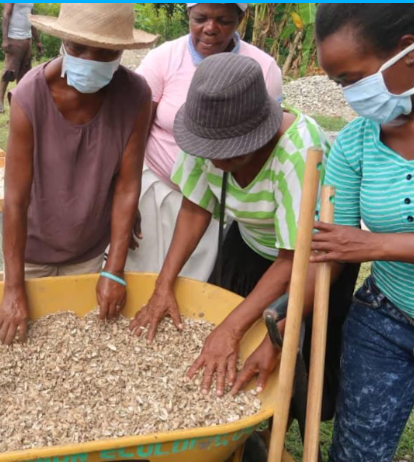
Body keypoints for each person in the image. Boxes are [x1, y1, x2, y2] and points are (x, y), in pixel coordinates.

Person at [130, 54, 359, 414]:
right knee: (243, 335)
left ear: (260, 131)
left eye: (229, 154)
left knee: (289, 357)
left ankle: (278, 421)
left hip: (310, 261)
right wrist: (163, 284)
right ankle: (248, 425)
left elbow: (292, 259)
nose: (215, 161)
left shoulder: (300, 149)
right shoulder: (204, 132)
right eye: (210, 152)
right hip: (250, 244)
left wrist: (230, 329)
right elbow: (194, 208)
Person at [312, 4, 414, 461]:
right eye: (337, 83)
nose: (347, 96)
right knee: (355, 453)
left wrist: (374, 244)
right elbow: (333, 248)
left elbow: (356, 244)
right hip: (385, 317)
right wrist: (279, 320)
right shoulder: (356, 142)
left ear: (405, 52)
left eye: (351, 79)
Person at [0, 3, 156, 345]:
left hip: (88, 250)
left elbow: (128, 186)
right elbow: (15, 198)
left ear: (121, 52)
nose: (90, 60)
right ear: (63, 42)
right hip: (32, 249)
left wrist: (113, 269)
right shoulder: (30, 94)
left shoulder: (135, 95)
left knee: (79, 343)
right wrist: (13, 287)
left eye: (105, 52)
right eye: (78, 48)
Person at [124, 2, 283, 281]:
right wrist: (128, 194)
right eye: (200, 18)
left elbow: (267, 139)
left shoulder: (263, 68)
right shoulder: (163, 59)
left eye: (223, 20)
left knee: (194, 282)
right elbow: (134, 134)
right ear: (188, 15)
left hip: (216, 201)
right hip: (158, 190)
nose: (210, 29)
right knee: (141, 275)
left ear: (240, 19)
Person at [0, 3, 44, 114]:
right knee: (9, 71)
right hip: (14, 38)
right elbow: (6, 14)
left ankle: (21, 101)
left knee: (24, 73)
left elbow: (32, 19)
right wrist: (5, 39)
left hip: (27, 39)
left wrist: (38, 41)